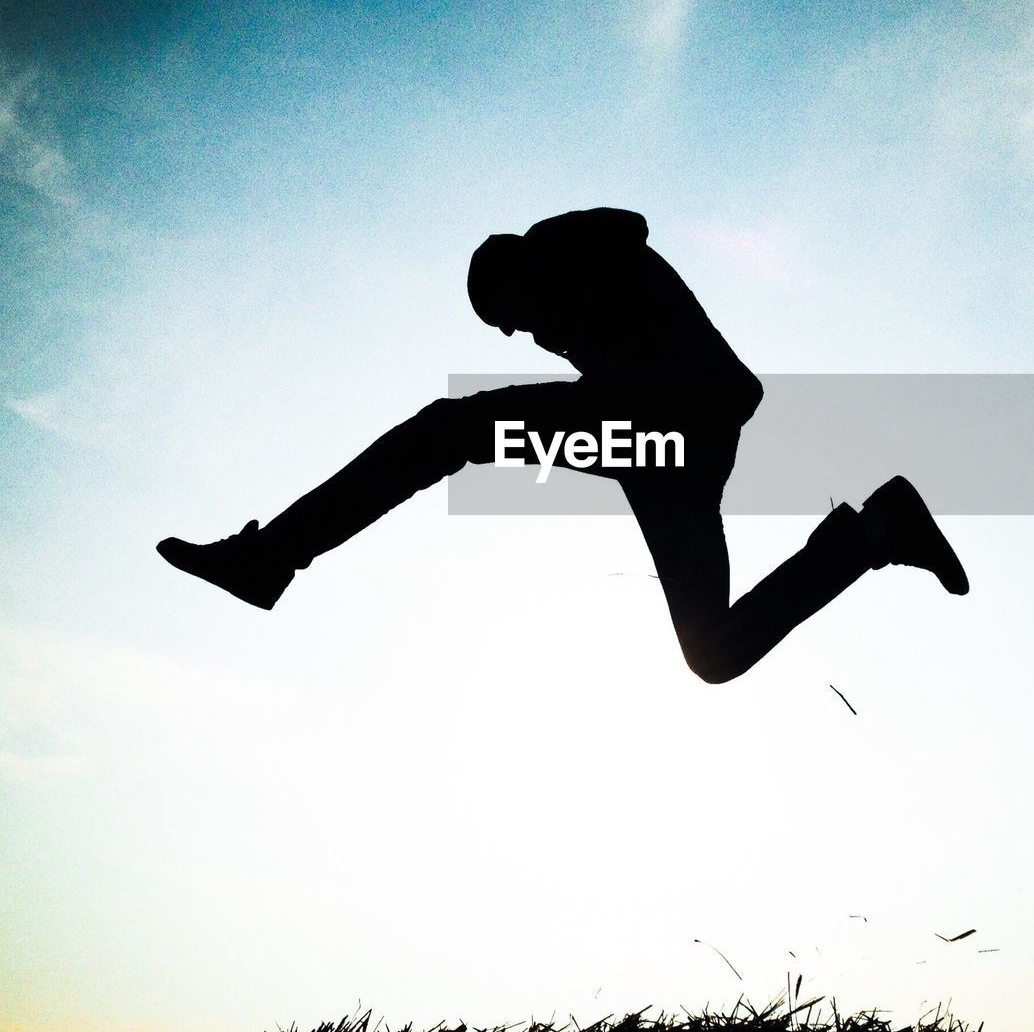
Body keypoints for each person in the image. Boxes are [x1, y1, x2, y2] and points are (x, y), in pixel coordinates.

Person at [157, 207, 968, 683]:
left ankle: (271, 558)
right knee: (712, 652)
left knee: (454, 429)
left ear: (518, 272)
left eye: (504, 313)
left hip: (667, 419)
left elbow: (630, 229)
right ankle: (873, 534)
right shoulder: (570, 307)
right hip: (658, 457)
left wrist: (553, 250)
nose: (514, 331)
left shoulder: (570, 254)